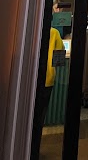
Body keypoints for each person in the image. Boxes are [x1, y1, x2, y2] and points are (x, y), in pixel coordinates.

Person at [31, 27, 65, 158]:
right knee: (39, 118)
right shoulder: (54, 33)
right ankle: (34, 151)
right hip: (46, 80)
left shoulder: (29, 30)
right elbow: (59, 60)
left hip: (27, 81)